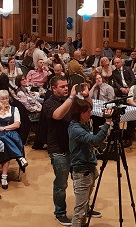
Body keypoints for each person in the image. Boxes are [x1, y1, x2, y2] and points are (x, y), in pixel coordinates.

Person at [41, 75, 83, 225]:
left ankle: (84, 209)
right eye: (62, 86)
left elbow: (86, 110)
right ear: (54, 89)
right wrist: (71, 98)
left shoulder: (71, 100)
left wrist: (86, 96)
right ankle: (60, 212)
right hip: (58, 149)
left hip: (75, 147)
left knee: (81, 181)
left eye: (67, 86)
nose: (66, 88)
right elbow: (58, 115)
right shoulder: (49, 103)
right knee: (61, 184)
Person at [68, 98, 112, 227]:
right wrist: (107, 122)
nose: (90, 114)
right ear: (80, 113)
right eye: (88, 112)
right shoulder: (75, 129)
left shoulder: (84, 124)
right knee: (80, 210)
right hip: (82, 172)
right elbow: (95, 140)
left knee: (84, 206)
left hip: (89, 168)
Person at [0, 89, 28, 189]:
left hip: (11, 134)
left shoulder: (14, 109)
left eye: (6, 98)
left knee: (4, 141)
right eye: (2, 99)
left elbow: (17, 124)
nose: (5, 100)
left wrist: (4, 128)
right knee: (1, 138)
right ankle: (19, 156)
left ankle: (4, 177)